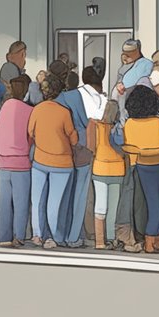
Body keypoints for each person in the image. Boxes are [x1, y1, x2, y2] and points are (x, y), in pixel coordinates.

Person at [55, 65, 107, 249]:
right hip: (85, 149)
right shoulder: (98, 100)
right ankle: (74, 236)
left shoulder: (64, 97)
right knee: (80, 195)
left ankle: (58, 234)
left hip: (64, 147)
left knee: (62, 194)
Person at [28, 73, 78, 250]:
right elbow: (73, 138)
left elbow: (30, 132)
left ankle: (37, 234)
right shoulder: (64, 112)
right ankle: (54, 237)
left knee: (37, 199)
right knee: (54, 202)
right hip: (62, 164)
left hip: (39, 160)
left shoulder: (37, 110)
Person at [121, 84, 159, 253]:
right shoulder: (156, 122)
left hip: (137, 167)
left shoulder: (129, 124)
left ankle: (145, 238)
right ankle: (155, 242)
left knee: (143, 207)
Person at [0, 76, 34, 248]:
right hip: (21, 162)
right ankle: (19, 235)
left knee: (4, 202)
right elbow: (31, 136)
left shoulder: (4, 107)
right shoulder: (29, 111)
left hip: (3, 162)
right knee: (20, 202)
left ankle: (3, 236)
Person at [89, 90, 125, 250]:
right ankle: (112, 238)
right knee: (113, 207)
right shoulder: (120, 129)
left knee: (100, 207)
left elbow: (92, 148)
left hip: (100, 169)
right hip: (117, 169)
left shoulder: (96, 127)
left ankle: (99, 241)